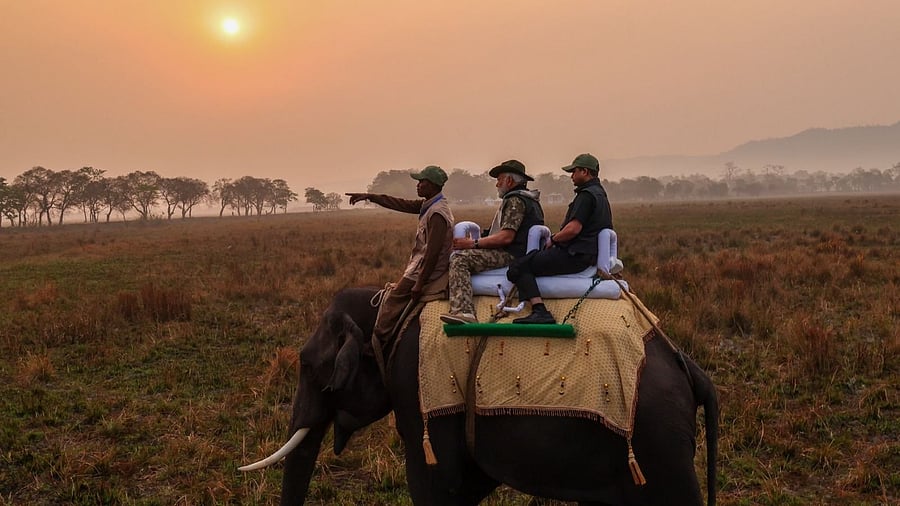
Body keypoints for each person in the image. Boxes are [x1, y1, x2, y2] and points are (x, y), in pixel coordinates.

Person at [345, 165, 454, 343]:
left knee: (392, 302)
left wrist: (419, 283)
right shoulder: (430, 205)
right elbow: (400, 203)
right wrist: (370, 196)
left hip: (426, 270)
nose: (417, 185)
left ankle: (379, 342)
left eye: (422, 182)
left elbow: (432, 254)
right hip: (420, 266)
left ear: (433, 185)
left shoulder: (437, 214)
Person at [506, 153, 613, 324]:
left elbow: (573, 228)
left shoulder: (586, 195)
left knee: (518, 266)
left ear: (585, 172)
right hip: (587, 254)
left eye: (574, 172)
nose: (572, 176)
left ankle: (539, 310)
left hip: (575, 254)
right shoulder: (600, 194)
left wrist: (554, 240)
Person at [440, 160, 544, 325]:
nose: (497, 184)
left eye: (499, 179)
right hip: (523, 253)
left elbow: (506, 237)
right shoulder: (530, 199)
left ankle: (464, 312)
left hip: (511, 253)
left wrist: (472, 244)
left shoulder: (515, 201)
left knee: (459, 259)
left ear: (509, 181)